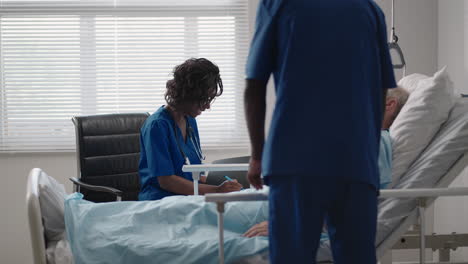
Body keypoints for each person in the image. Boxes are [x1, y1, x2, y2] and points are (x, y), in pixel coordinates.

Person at [244, 1, 397, 262]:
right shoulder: (370, 10)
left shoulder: (278, 5)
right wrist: (367, 150)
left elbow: (254, 86)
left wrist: (257, 155)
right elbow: (381, 88)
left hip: (295, 158)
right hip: (355, 162)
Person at [243, 87, 409, 239]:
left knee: (218, 212)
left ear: (389, 105)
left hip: (277, 212)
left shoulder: (374, 142)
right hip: (273, 202)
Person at [139, 58, 242, 201]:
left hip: (190, 199)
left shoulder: (190, 121)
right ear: (187, 94)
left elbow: (193, 174)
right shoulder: (157, 126)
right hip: (161, 202)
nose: (207, 106)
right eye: (204, 99)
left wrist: (225, 185)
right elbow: (166, 180)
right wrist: (216, 190)